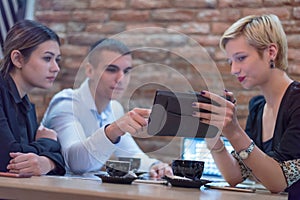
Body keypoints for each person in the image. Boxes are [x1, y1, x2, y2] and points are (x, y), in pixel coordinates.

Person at [192, 14, 300, 196]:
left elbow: (279, 182)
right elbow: (235, 175)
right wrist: (212, 133)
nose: (234, 70)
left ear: (271, 52)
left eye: (240, 58)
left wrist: (234, 132)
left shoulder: (297, 102)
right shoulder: (258, 107)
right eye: (230, 62)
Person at [42, 38, 173, 178]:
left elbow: (130, 154)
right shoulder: (66, 103)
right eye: (111, 69)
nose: (121, 78)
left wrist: (154, 166)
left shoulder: (115, 108)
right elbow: (75, 163)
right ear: (90, 70)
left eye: (127, 71)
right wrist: (113, 130)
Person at [0, 20, 65, 176]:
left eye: (57, 60)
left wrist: (48, 162)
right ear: (18, 59)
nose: (56, 68)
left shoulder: (25, 104)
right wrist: (47, 142)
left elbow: (58, 158)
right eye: (47, 58)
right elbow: (9, 158)